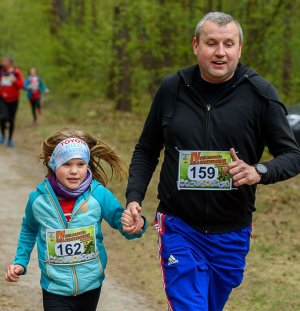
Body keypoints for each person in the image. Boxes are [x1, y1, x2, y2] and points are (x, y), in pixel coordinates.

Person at [125, 12, 300, 311]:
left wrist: (259, 171)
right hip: (179, 225)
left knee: (209, 305)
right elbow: (146, 148)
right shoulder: (172, 89)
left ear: (240, 48)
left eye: (228, 44)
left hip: (231, 230)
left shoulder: (260, 94)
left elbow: (293, 155)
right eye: (212, 43)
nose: (220, 52)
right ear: (196, 45)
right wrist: (134, 197)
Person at [5, 128, 146, 311]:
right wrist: (20, 261)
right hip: (55, 287)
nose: (74, 171)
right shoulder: (38, 200)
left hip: (91, 285)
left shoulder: (98, 195)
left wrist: (134, 225)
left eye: (80, 164)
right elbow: (29, 229)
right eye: (66, 164)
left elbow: (122, 223)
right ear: (52, 163)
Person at [0, 56, 24, 147]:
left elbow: (22, 85)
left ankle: (10, 139)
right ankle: (3, 135)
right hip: (2, 99)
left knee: (11, 119)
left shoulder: (16, 72)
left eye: (4, 61)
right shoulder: (1, 71)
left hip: (13, 100)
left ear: (9, 62)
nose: (2, 62)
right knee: (3, 117)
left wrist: (14, 81)